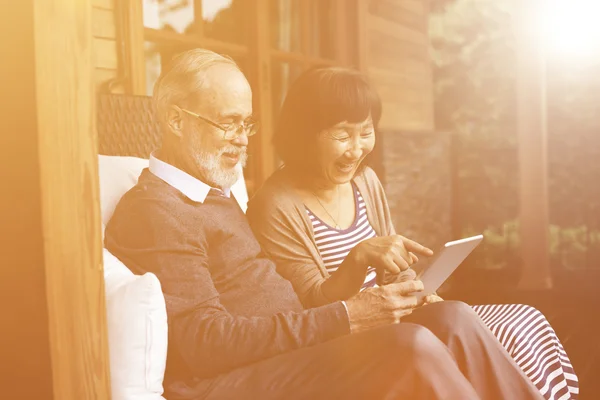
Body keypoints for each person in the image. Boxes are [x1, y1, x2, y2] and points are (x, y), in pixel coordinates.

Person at [105, 49, 545, 400]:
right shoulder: (154, 210)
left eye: (247, 124)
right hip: (233, 381)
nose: (242, 139)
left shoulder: (214, 195)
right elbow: (203, 343)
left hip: (294, 351)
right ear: (175, 120)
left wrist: (353, 307)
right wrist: (345, 317)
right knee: (409, 346)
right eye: (228, 123)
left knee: (450, 317)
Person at [246, 66, 579, 400]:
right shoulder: (275, 205)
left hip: (392, 315)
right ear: (304, 133)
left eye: (366, 131)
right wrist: (358, 259)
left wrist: (418, 288)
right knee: (450, 321)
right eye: (343, 135)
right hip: (344, 339)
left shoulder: (365, 180)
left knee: (459, 312)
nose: (357, 148)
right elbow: (314, 307)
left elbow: (393, 263)